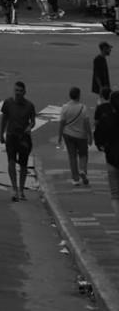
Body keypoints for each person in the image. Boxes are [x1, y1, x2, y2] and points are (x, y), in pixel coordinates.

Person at [0, 79, 37, 201]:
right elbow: (4, 119)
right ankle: (14, 189)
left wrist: (29, 127)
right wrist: (1, 134)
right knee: (11, 161)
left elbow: (33, 122)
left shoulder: (29, 106)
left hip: (23, 138)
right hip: (11, 136)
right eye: (16, 90)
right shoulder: (8, 103)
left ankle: (21, 190)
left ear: (24, 92)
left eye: (20, 91)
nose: (18, 93)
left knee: (23, 165)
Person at [57, 86, 92, 187]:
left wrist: (59, 137)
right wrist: (90, 135)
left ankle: (75, 179)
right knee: (83, 155)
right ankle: (83, 171)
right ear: (79, 95)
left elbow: (62, 123)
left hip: (68, 135)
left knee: (72, 156)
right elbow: (86, 123)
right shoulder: (83, 108)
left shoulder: (65, 107)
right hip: (81, 136)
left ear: (70, 95)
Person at [93, 88, 119, 220]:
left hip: (112, 157)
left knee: (115, 194)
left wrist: (101, 145)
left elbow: (99, 133)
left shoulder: (107, 117)